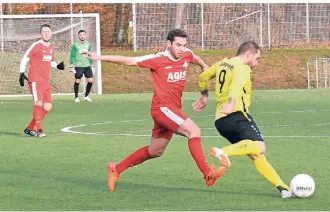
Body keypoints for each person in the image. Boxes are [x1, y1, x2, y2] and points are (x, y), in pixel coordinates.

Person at [87, 29, 226, 192]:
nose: (182, 49)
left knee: (155, 151)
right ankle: (208, 174)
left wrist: (204, 66)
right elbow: (128, 61)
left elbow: (194, 57)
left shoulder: (186, 54)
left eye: (184, 45)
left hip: (172, 111)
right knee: (194, 131)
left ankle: (116, 169)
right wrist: (99, 57)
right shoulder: (157, 59)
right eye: (178, 45)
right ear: (169, 43)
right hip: (162, 109)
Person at [193, 41, 293, 198]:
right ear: (248, 54)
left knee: (255, 154)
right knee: (260, 146)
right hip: (237, 116)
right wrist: (232, 102)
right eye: (257, 58)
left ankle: (283, 188)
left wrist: (204, 96)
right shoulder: (243, 67)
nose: (256, 63)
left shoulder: (223, 63)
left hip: (221, 122)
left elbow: (203, 76)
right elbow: (237, 85)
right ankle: (223, 152)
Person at [19, 24, 65, 137]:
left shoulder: (51, 48)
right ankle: (39, 130)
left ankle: (29, 128)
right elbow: (25, 59)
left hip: (45, 81)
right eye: (44, 31)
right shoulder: (36, 45)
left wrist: (58, 66)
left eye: (48, 31)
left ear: (51, 33)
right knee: (38, 104)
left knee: (48, 106)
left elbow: (51, 62)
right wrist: (21, 73)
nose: (46, 33)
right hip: (35, 80)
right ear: (41, 33)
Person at [69, 29, 95, 102]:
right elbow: (72, 55)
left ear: (85, 35)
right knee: (77, 81)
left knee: (90, 80)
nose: (82, 36)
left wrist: (92, 64)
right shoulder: (75, 45)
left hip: (87, 65)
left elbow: (89, 55)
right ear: (78, 36)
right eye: (80, 35)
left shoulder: (88, 44)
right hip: (79, 66)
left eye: (83, 35)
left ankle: (86, 96)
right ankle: (76, 97)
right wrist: (71, 65)